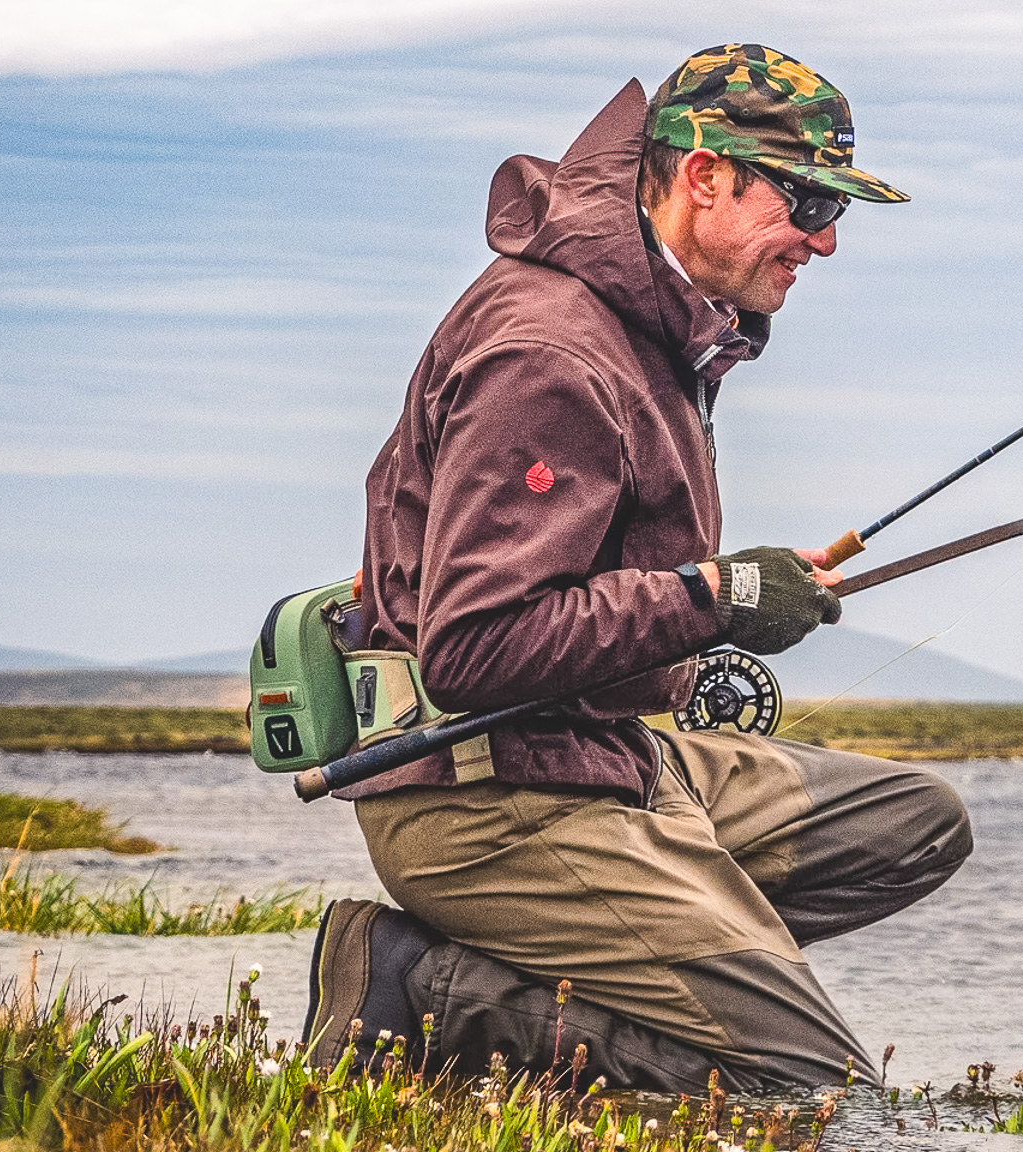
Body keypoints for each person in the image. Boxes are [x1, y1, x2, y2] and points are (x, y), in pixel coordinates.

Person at [305, 44, 972, 1093]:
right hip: (489, 802)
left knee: (915, 823)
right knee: (811, 1092)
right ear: (703, 175)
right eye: (805, 202)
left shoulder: (652, 327)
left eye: (836, 206)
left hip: (601, 756)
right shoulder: (549, 352)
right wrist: (718, 597)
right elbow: (478, 649)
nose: (826, 239)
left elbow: (603, 591)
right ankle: (428, 993)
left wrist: (711, 614)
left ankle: (637, 954)